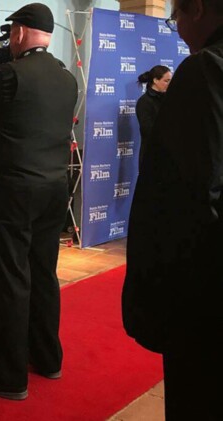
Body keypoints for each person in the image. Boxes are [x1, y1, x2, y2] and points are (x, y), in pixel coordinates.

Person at [0, 3, 78, 400]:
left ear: (21, 32)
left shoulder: (7, 75)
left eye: (11, 33)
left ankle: (9, 376)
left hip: (13, 191)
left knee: (9, 278)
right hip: (54, 189)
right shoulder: (66, 76)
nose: (8, 40)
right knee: (43, 274)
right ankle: (48, 359)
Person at [122, 0, 223, 419]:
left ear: (196, 9)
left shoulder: (205, 70)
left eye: (176, 16)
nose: (177, 28)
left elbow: (193, 197)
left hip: (205, 297)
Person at [136, 65, 172, 167]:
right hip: (152, 157)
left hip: (169, 156)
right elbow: (147, 129)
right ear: (155, 80)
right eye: (166, 81)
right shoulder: (144, 102)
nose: (170, 84)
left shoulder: (169, 100)